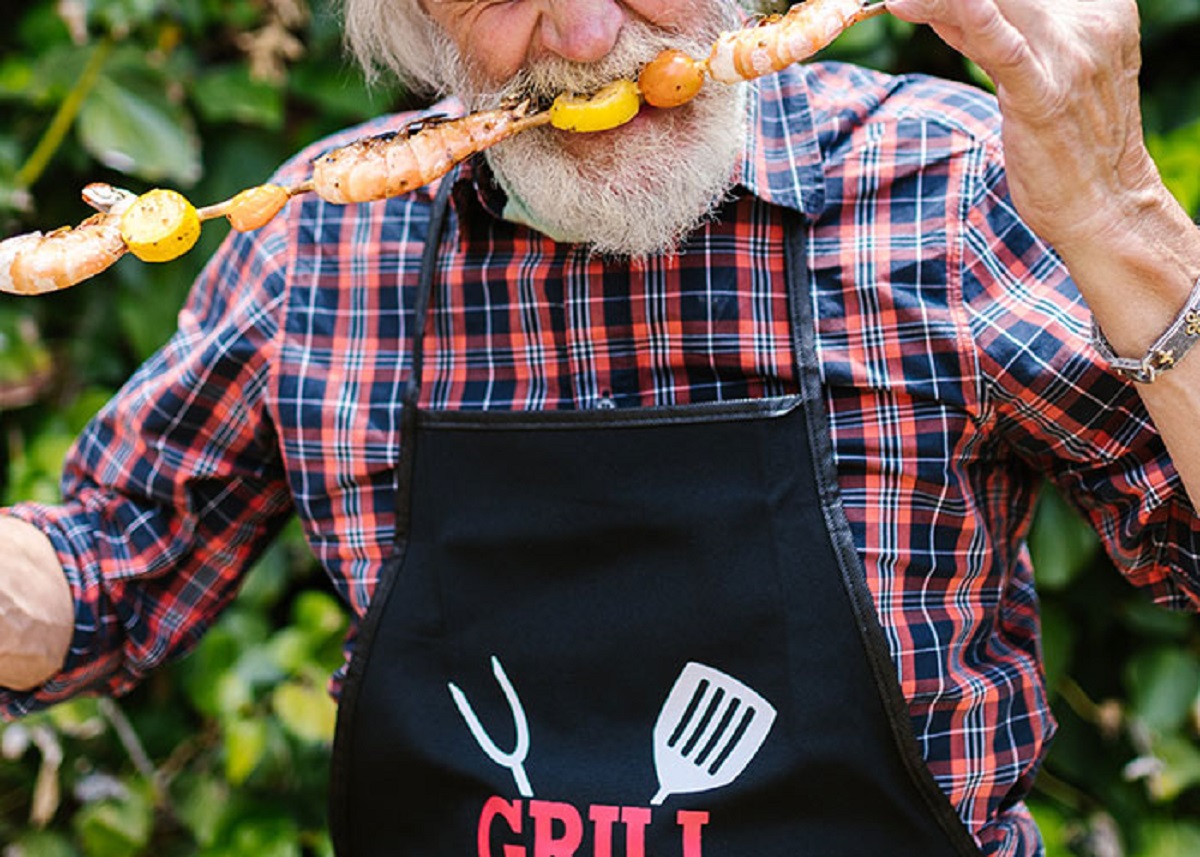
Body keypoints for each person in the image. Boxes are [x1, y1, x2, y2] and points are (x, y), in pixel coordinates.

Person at [2, 0, 1198, 853]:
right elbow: (114, 564)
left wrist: (1121, 215)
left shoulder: (946, 186)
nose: (582, 39)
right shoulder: (320, 241)